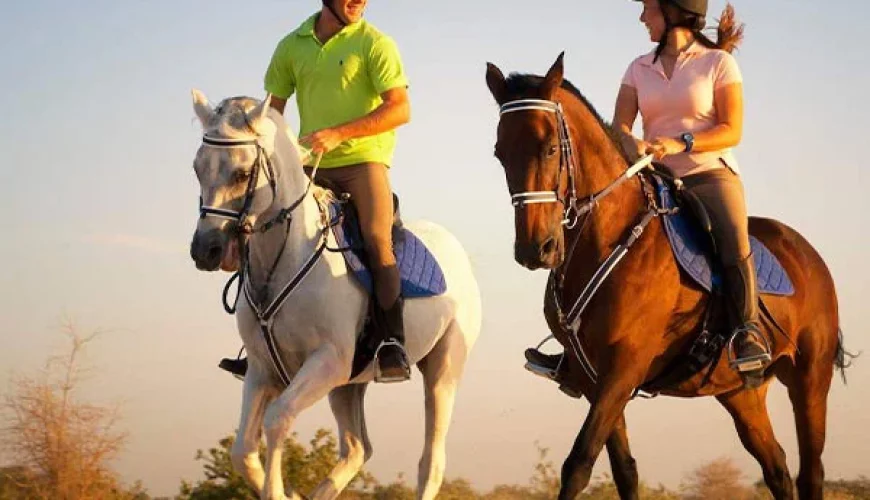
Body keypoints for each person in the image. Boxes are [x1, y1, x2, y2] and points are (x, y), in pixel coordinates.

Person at [526, 0, 771, 387]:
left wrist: (681, 143)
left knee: (732, 234)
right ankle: (574, 346)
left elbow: (731, 130)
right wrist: (631, 142)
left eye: (648, 9)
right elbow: (619, 125)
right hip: (652, 175)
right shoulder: (638, 68)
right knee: (590, 229)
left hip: (709, 174)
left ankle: (747, 331)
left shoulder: (719, 63)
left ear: (674, 11)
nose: (642, 18)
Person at [219, 0, 412, 383]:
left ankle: (392, 343)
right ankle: (257, 343)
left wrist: (339, 133)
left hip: (364, 161)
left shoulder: (375, 43)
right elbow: (270, 114)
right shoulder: (291, 45)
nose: (360, 1)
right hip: (310, 164)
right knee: (265, 229)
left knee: (377, 240)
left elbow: (400, 109)